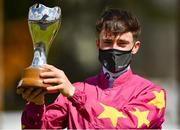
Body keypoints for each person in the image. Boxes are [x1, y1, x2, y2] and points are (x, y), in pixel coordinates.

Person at [17, 8, 166, 129]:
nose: (114, 49)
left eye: (121, 44)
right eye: (107, 42)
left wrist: (75, 96)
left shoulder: (153, 94)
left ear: (135, 47)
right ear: (98, 44)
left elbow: (122, 125)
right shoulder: (73, 91)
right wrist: (36, 104)